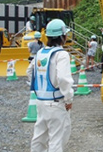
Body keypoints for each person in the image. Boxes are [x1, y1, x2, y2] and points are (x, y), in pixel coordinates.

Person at [26, 19, 74, 151]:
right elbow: (64, 79)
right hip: (56, 102)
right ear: (63, 37)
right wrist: (68, 98)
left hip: (41, 102)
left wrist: (40, 89)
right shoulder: (62, 54)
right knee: (56, 140)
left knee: (39, 137)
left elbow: (29, 71)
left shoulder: (40, 53)